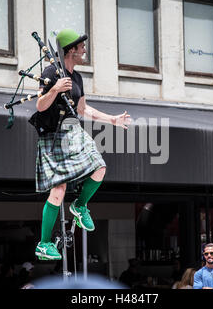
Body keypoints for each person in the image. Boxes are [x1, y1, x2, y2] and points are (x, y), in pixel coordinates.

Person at [33, 28, 131, 260]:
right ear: (71, 50)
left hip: (72, 130)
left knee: (100, 166)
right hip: (53, 134)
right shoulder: (51, 72)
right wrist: (55, 89)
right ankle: (44, 244)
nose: (85, 49)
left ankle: (79, 205)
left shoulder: (77, 78)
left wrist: (112, 119)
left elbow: (83, 109)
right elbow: (39, 105)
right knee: (58, 190)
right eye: (81, 46)